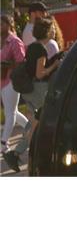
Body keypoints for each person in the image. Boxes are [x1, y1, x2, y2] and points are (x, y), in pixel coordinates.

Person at [6, 17, 63, 172]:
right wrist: (55, 65)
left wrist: (52, 60)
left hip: (29, 91)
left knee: (33, 124)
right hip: (39, 90)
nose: (53, 31)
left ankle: (15, 154)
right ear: (46, 31)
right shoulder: (41, 50)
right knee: (40, 122)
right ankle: (30, 155)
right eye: (51, 29)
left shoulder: (32, 47)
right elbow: (40, 73)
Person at [1, 14, 28, 168]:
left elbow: (21, 62)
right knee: (13, 111)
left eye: (2, 24)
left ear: (9, 25)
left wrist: (8, 65)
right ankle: (30, 129)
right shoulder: (0, 41)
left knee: (9, 113)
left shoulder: (14, 41)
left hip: (11, 81)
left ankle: (3, 144)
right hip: (1, 81)